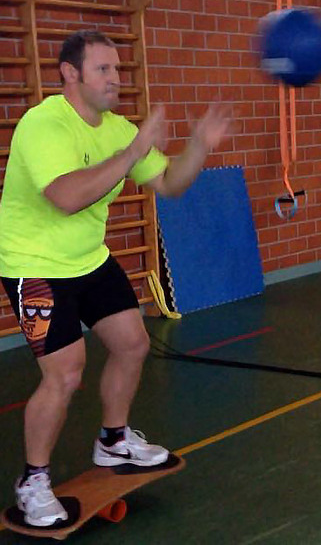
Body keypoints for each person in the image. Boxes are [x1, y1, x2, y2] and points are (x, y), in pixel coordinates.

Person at [0, 30, 232, 527]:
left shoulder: (117, 129)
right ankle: (33, 481)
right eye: (103, 69)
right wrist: (132, 154)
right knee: (64, 374)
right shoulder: (43, 125)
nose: (115, 79)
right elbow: (64, 197)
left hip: (87, 258)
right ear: (70, 73)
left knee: (131, 342)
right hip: (34, 265)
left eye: (117, 69)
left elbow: (169, 183)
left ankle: (113, 441)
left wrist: (198, 146)